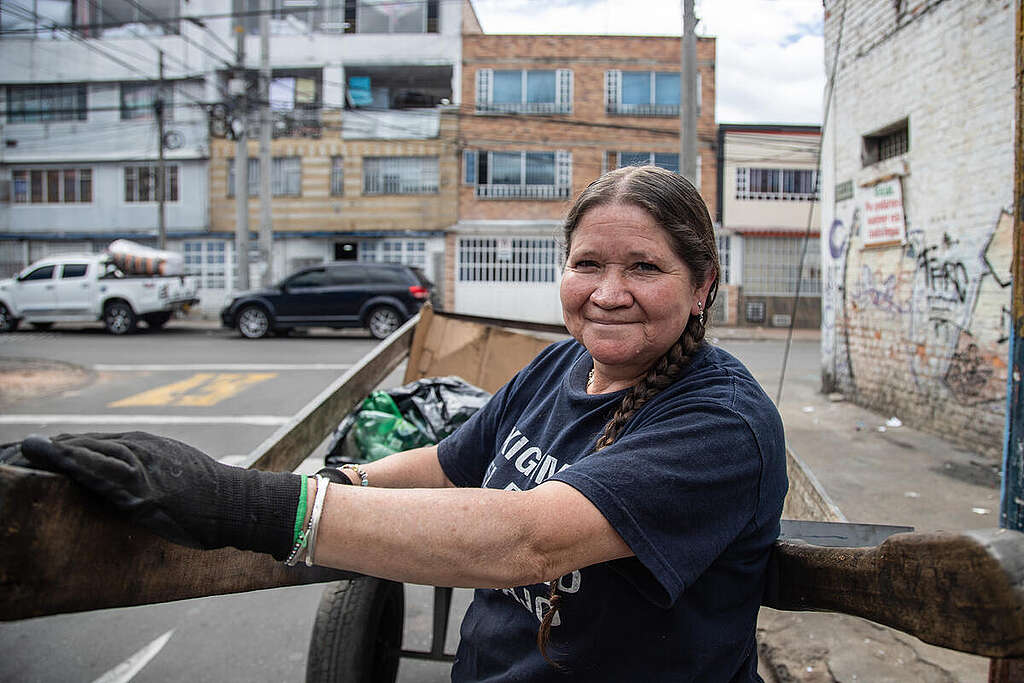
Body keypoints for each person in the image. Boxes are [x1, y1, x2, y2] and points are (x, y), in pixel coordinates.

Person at [16, 165, 788, 682]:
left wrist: (237, 503)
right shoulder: (558, 365)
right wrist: (330, 481)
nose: (608, 292)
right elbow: (449, 463)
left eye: (644, 267)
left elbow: (529, 538)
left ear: (701, 286)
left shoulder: (719, 423)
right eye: (588, 263)